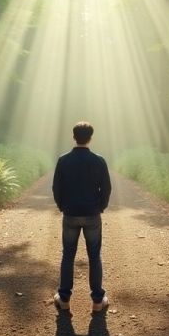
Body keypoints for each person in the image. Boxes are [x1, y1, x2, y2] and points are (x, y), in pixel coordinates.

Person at [52, 121, 112, 313]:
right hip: (92, 214)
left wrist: (63, 206)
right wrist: (100, 207)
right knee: (94, 256)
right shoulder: (99, 160)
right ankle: (97, 301)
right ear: (90, 138)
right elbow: (107, 188)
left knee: (67, 255)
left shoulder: (63, 160)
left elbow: (56, 188)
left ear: (74, 136)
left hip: (70, 214)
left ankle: (64, 299)